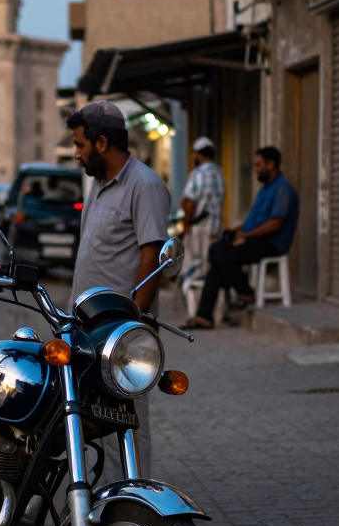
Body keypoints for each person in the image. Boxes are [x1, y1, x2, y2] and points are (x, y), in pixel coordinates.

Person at [68, 101, 170, 483]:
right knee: (89, 420)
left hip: (121, 335)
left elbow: (152, 257)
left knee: (127, 425)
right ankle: (100, 506)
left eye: (80, 145)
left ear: (102, 142)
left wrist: (132, 326)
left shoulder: (144, 185)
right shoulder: (96, 186)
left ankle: (135, 506)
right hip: (85, 328)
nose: (77, 154)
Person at [182, 145, 299, 330]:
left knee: (218, 253)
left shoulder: (282, 189)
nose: (256, 169)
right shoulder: (265, 189)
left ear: (271, 165)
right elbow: (253, 220)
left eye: (259, 165)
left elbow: (274, 224)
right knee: (218, 258)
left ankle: (244, 292)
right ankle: (205, 316)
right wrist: (236, 231)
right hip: (254, 239)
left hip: (271, 243)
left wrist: (246, 236)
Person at [179, 137, 225, 286]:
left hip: (200, 227)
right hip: (215, 227)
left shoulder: (198, 174)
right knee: (211, 264)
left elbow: (191, 202)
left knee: (197, 266)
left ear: (199, 154)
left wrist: (186, 224)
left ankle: (198, 304)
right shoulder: (219, 173)